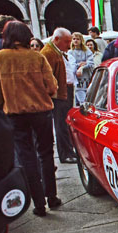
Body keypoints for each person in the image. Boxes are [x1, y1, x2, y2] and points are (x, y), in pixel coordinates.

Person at [0, 21, 61, 217]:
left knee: (26, 156)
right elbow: (52, 87)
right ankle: (51, 197)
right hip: (40, 112)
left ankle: (38, 204)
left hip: (14, 114)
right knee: (45, 153)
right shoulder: (36, 58)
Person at [41, 27, 76, 164]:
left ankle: (68, 150)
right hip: (59, 94)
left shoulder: (57, 51)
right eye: (66, 41)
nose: (69, 45)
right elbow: (47, 77)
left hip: (65, 91)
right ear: (56, 39)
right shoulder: (49, 53)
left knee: (65, 122)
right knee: (61, 124)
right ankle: (65, 153)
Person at [68, 32, 95, 105]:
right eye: (74, 39)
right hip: (77, 79)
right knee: (81, 100)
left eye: (78, 39)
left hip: (87, 78)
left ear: (81, 40)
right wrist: (79, 65)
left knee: (90, 98)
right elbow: (71, 64)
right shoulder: (70, 52)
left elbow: (91, 63)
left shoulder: (87, 51)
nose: (76, 41)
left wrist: (83, 66)